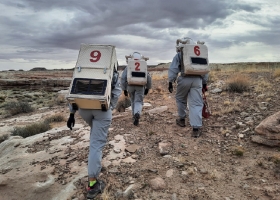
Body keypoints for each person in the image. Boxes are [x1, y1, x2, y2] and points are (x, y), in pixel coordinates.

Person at [66, 71, 121, 199]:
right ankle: (92, 183)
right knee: (96, 144)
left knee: (95, 136)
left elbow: (73, 89)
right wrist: (109, 107)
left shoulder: (85, 66)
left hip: (83, 108)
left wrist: (71, 114)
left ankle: (95, 166)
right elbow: (116, 91)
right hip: (102, 108)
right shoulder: (110, 69)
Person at [168, 37, 209, 138]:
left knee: (180, 99)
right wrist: (204, 82)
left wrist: (170, 81)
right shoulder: (200, 53)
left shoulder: (180, 54)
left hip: (184, 79)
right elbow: (204, 68)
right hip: (198, 80)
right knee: (195, 103)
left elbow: (173, 68)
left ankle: (182, 120)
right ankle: (196, 129)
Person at [121, 52, 152, 126]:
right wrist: (148, 87)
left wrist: (124, 89)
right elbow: (148, 77)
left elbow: (123, 77)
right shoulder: (143, 66)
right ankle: (137, 113)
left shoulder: (129, 65)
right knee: (138, 101)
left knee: (132, 101)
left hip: (130, 85)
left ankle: (134, 116)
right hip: (140, 86)